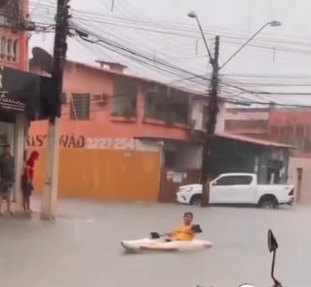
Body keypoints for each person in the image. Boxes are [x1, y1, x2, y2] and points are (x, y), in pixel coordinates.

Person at [0, 144, 15, 215]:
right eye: (6, 149)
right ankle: (0, 209)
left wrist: (14, 177)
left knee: (9, 194)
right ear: (4, 150)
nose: (8, 150)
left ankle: (9, 208)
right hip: (3, 179)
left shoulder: (12, 158)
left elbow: (13, 168)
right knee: (2, 194)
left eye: (9, 149)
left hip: (10, 179)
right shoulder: (1, 158)